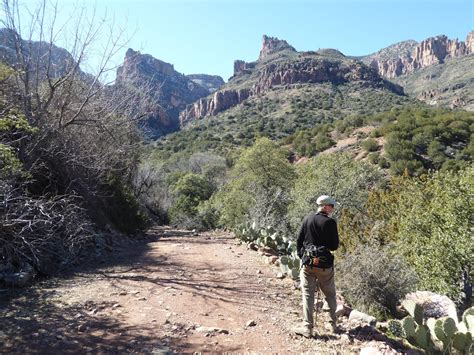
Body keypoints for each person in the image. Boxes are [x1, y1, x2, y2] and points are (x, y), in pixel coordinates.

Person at [294, 195, 340, 338]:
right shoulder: (330, 222)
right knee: (330, 294)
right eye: (331, 206)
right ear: (325, 206)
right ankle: (332, 324)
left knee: (307, 294)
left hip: (308, 263)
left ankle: (308, 327)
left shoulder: (307, 219)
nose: (333, 208)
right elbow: (334, 246)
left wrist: (303, 256)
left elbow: (299, 241)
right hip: (325, 265)